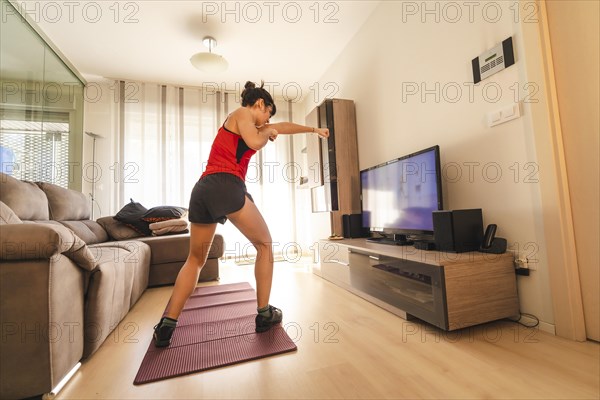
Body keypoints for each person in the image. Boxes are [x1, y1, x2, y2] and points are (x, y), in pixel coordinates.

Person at [153, 81, 329, 347]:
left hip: (203, 191)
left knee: (196, 259)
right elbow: (254, 141)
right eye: (268, 113)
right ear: (260, 104)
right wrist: (266, 133)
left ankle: (168, 323)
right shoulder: (242, 113)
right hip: (226, 184)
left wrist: (313, 129)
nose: (269, 120)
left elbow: (281, 128)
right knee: (265, 245)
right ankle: (264, 313)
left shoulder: (251, 122)